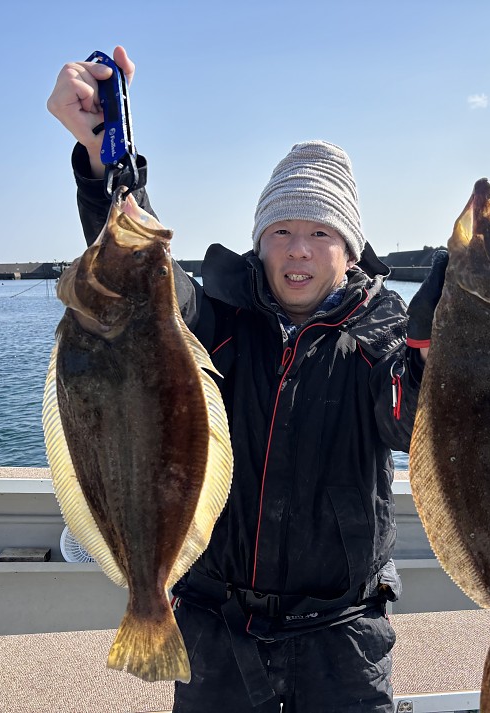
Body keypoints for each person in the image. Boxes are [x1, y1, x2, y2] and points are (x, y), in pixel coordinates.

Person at [47, 45, 447, 713]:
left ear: (348, 252)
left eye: (320, 232)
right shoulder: (217, 318)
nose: (297, 249)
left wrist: (434, 353)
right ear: (258, 242)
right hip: (214, 627)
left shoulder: (380, 334)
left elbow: (410, 423)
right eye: (281, 229)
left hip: (342, 638)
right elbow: (140, 283)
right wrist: (105, 162)